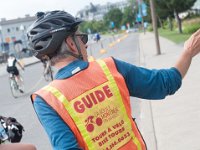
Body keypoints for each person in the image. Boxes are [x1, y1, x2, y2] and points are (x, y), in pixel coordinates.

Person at [27, 10, 200, 150]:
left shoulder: (46, 101)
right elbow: (165, 83)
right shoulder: (110, 67)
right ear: (71, 44)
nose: (85, 44)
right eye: (82, 38)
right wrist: (187, 52)